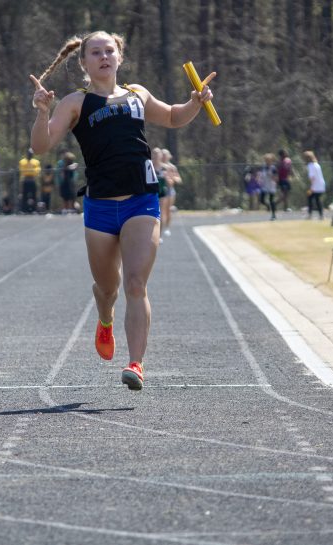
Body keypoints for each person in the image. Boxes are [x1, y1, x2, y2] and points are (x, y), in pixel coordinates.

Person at [29, 30, 214, 390]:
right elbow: (40, 146)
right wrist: (42, 113)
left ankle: (136, 363)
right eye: (95, 52)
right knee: (107, 287)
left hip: (141, 201)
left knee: (135, 283)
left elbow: (174, 117)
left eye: (109, 51)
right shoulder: (75, 103)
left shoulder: (137, 94)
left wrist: (195, 101)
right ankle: (105, 317)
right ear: (83, 62)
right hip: (99, 206)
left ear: (119, 57)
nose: (103, 57)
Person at [160, 148, 180, 235]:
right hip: (160, 191)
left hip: (170, 191)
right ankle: (160, 228)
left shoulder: (172, 167)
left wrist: (171, 178)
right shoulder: (157, 166)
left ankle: (167, 228)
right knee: (161, 211)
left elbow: (179, 179)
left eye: (166, 155)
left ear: (169, 156)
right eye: (162, 155)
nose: (164, 157)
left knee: (168, 210)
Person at [302, 151, 325, 219]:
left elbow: (312, 178)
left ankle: (310, 215)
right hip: (321, 185)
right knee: (317, 199)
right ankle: (321, 215)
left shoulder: (310, 166)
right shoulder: (317, 164)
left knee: (310, 198)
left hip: (315, 186)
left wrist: (311, 187)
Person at [19, 148, 41, 213]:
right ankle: (24, 210)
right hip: (25, 180)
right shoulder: (22, 162)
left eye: (31, 154)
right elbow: (22, 171)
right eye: (29, 153)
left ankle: (34, 209)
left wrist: (29, 170)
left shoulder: (36, 162)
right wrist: (31, 170)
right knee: (25, 195)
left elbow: (37, 171)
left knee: (34, 195)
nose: (30, 155)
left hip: (32, 180)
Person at [259, 153, 278, 220]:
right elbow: (261, 175)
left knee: (271, 200)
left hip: (271, 186)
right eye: (266, 160)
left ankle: (273, 215)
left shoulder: (273, 168)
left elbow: (276, 179)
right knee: (261, 200)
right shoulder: (263, 167)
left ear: (271, 161)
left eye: (268, 160)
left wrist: (271, 176)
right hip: (264, 186)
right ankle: (267, 206)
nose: (267, 161)